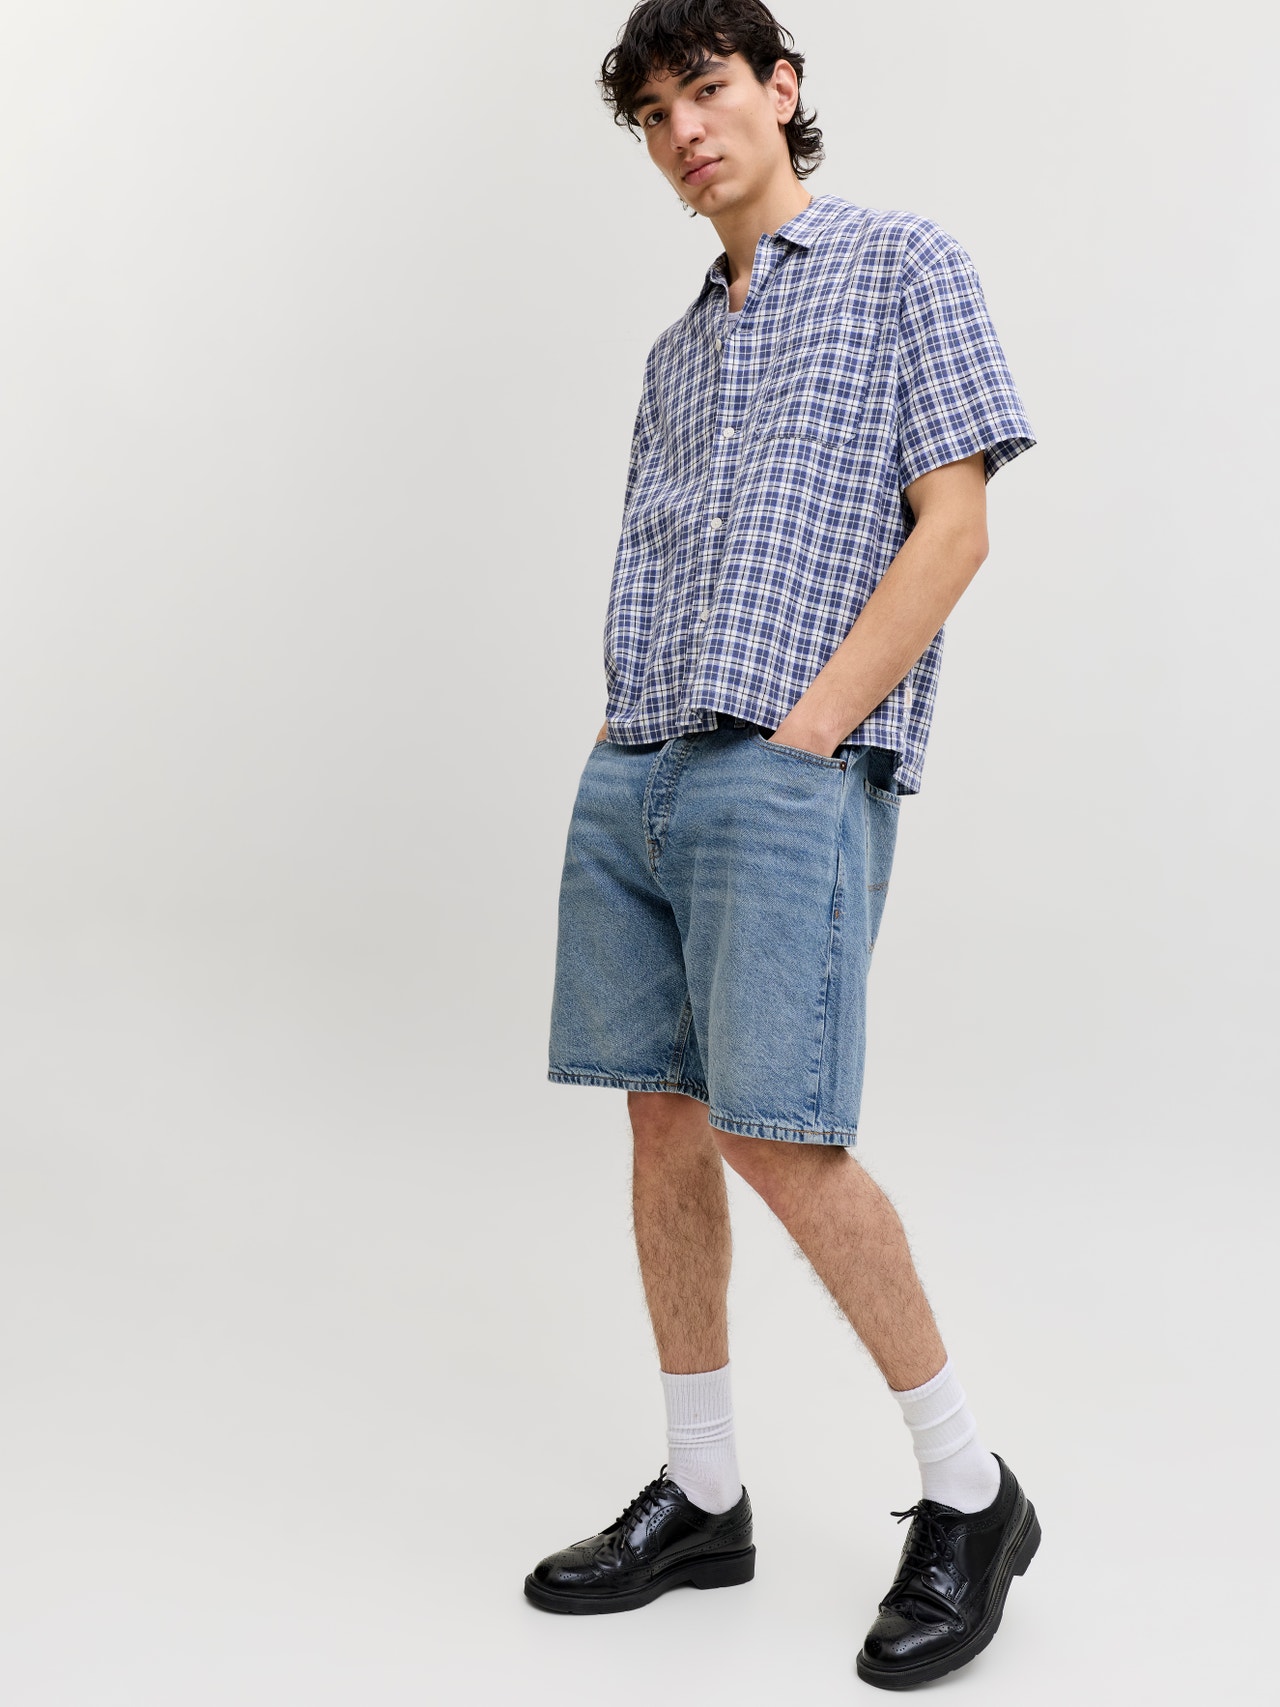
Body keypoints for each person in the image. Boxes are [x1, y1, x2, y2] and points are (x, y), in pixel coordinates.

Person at [523, 1, 1041, 1688]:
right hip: (639, 766)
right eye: (654, 113)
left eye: (710, 89)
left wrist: (811, 728)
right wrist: (625, 733)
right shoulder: (673, 353)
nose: (685, 130)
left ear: (781, 88)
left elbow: (954, 526)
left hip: (784, 762)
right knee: (662, 1120)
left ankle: (970, 1492)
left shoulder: (903, 264)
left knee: (782, 1131)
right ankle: (703, 1490)